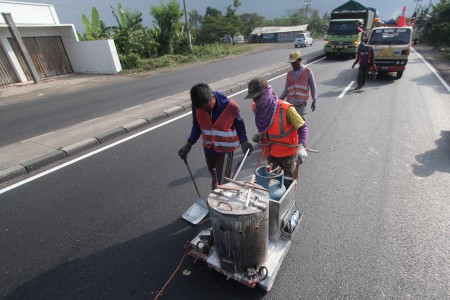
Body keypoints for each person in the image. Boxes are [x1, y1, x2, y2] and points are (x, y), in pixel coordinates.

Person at [178, 83, 253, 189]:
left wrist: (244, 141)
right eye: (202, 109)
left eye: (207, 107)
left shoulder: (230, 106)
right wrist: (189, 144)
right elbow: (197, 125)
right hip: (209, 149)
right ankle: (219, 196)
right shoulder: (197, 106)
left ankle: (221, 201)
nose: (205, 111)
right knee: (214, 176)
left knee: (221, 181)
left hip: (225, 149)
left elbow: (239, 124)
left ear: (213, 97)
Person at [246, 77, 308, 178]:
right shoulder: (257, 108)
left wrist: (302, 146)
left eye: (258, 97)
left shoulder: (286, 109)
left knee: (288, 182)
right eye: (253, 98)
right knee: (273, 183)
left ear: (266, 93)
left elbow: (303, 127)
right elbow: (266, 125)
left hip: (287, 154)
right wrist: (261, 135)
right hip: (270, 154)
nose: (256, 100)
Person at [279, 50, 317, 119]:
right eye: (291, 62)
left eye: (294, 62)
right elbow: (286, 89)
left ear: (299, 60)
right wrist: (278, 101)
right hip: (290, 104)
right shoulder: (289, 73)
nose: (292, 64)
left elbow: (312, 86)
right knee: (290, 124)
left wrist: (314, 100)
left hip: (301, 103)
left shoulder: (307, 71)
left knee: (300, 122)